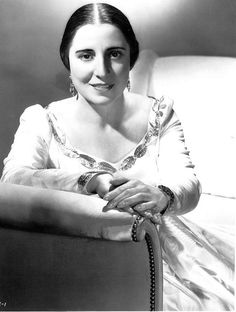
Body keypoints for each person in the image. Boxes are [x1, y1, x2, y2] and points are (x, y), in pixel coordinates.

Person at [1, 3, 234, 310]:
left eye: (115, 54)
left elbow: (188, 182)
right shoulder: (41, 120)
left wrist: (162, 195)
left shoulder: (159, 114)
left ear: (130, 59)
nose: (102, 70)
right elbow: (13, 179)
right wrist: (88, 181)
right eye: (86, 55)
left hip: (163, 254)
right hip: (74, 255)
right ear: (67, 61)